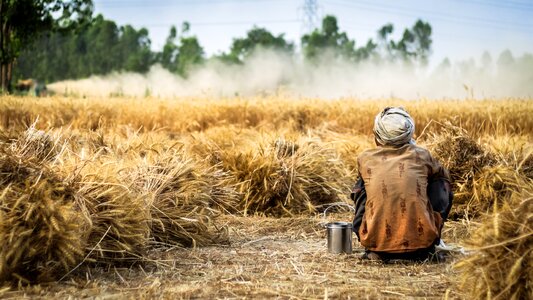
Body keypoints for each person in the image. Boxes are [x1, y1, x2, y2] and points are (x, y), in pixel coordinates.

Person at [351, 107, 452, 262]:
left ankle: (373, 236)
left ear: (377, 136)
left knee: (363, 184)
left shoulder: (365, 159)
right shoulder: (423, 156)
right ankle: (428, 233)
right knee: (440, 179)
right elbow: (443, 184)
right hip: (422, 248)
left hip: (377, 246)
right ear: (409, 134)